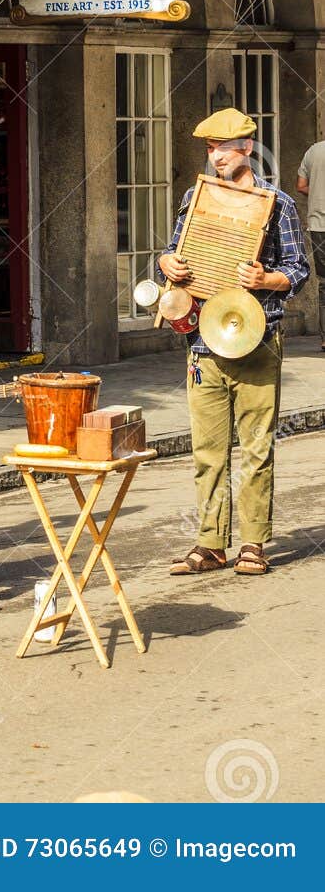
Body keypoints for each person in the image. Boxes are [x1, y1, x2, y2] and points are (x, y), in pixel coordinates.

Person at [161, 108, 308, 577]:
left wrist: (267, 278)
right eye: (209, 148)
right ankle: (209, 544)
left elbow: (299, 270)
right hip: (203, 343)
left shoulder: (277, 202)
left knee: (257, 448)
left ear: (246, 147)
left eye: (222, 147)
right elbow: (173, 253)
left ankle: (253, 543)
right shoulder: (195, 197)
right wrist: (167, 264)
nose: (215, 156)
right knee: (207, 451)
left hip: (257, 338)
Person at [295, 138, 325, 351]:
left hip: (318, 227)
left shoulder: (313, 151)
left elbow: (301, 185)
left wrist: (317, 193)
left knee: (324, 284)